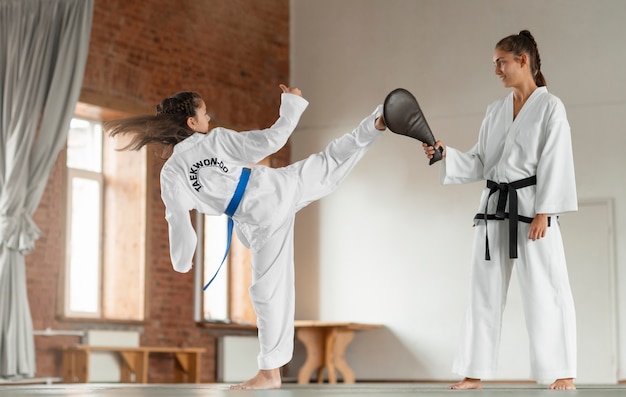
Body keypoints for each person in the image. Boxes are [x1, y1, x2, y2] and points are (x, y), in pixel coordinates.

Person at [105, 84, 387, 389]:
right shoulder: (215, 141)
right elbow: (271, 140)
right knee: (328, 163)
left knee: (268, 292)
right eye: (204, 113)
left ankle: (269, 373)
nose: (209, 117)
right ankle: (376, 122)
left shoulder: (171, 173)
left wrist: (183, 260)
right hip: (272, 192)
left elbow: (178, 221)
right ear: (191, 123)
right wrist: (290, 104)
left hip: (262, 213)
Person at [423, 30, 578, 390]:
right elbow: (481, 161)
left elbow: (557, 160)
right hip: (494, 208)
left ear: (523, 61)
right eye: (495, 63)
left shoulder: (550, 107)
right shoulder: (495, 111)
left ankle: (563, 370)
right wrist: (447, 156)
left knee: (546, 288)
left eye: (501, 62)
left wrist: (545, 211)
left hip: (531, 211)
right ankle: (474, 372)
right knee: (482, 291)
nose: (496, 70)